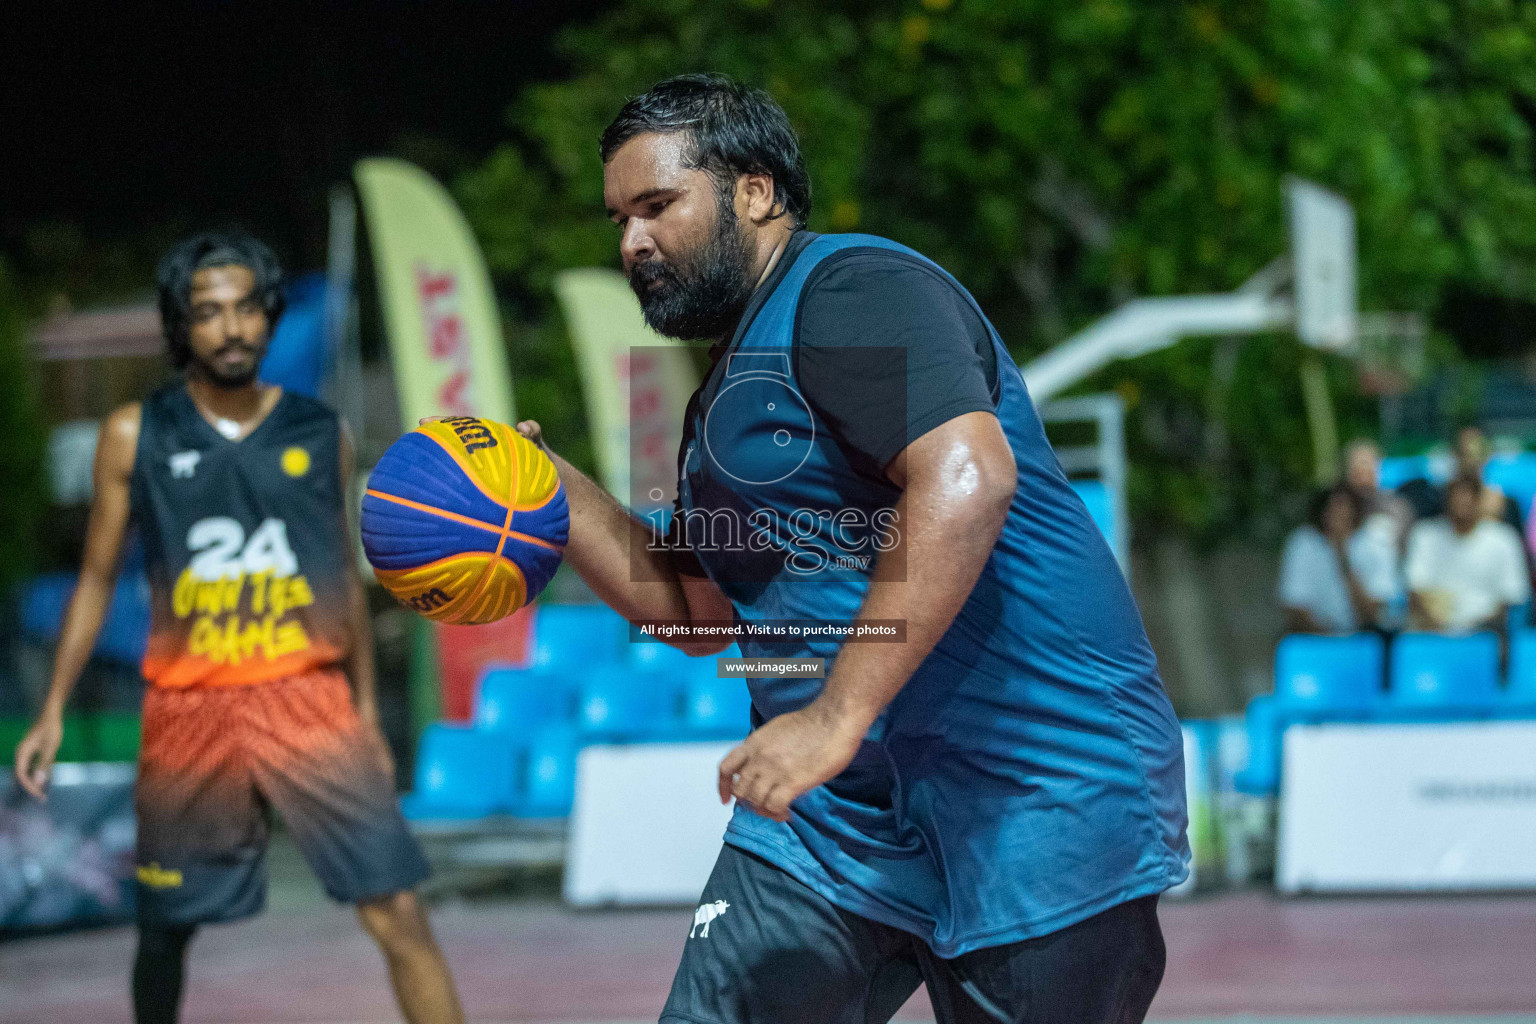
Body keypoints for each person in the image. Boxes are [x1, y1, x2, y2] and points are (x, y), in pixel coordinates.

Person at [515, 74, 1187, 1024]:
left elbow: (968, 477)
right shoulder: (723, 405)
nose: (632, 243)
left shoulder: (853, 290)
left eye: (657, 206)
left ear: (753, 190)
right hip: (840, 818)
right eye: (619, 218)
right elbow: (703, 616)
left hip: (1034, 795)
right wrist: (550, 488)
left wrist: (835, 714)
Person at [11, 233, 464, 1024]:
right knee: (164, 932)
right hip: (192, 711)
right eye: (209, 312)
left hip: (308, 699)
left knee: (397, 910)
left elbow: (340, 584)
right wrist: (52, 708)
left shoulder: (322, 432)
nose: (231, 328)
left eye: (246, 309)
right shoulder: (134, 433)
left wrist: (362, 709)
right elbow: (93, 578)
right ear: (181, 327)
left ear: (269, 319)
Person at [1405, 474, 1529, 635]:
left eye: (1469, 497)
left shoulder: (1504, 539)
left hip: (1487, 634)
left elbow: (1511, 598)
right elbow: (1415, 588)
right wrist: (1439, 626)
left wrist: (1475, 629)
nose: (1462, 504)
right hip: (1432, 632)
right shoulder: (1424, 535)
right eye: (1456, 497)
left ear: (1479, 501)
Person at [1277, 485, 1400, 634]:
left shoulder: (1375, 543)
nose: (1336, 516)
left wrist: (1342, 553)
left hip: (1363, 642)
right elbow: (1294, 607)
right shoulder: (1304, 542)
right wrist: (1330, 637)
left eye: (1343, 509)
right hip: (1316, 641)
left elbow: (1373, 615)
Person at [1341, 438, 1412, 553]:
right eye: (1358, 473)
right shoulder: (1336, 512)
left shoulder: (1396, 508)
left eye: (1368, 472)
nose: (1364, 479)